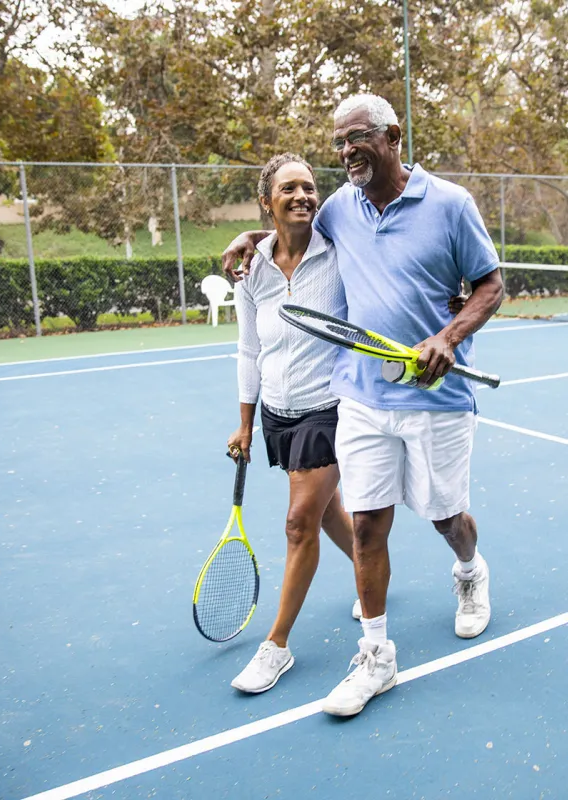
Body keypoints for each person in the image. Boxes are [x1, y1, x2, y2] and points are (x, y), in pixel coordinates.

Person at [222, 94, 504, 717]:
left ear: (393, 135)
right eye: (339, 143)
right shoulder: (340, 211)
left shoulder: (452, 205)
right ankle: (377, 655)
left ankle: (469, 569)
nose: (346, 151)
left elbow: (491, 284)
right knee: (369, 525)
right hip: (362, 397)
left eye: (357, 138)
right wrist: (252, 236)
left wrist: (448, 337)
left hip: (438, 399)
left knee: (444, 517)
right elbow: (289, 229)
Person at [226, 152, 358, 695]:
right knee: (325, 513)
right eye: (288, 189)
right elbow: (248, 350)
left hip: (329, 406)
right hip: (278, 413)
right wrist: (245, 424)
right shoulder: (250, 268)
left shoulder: (340, 249)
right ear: (267, 202)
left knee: (298, 522)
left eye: (309, 187)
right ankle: (369, 565)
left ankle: (275, 646)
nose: (302, 195)